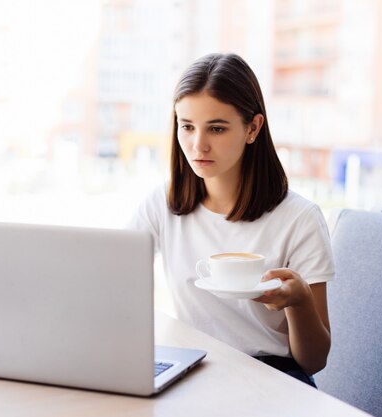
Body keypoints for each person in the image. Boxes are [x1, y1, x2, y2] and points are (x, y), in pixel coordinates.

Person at [129, 53, 334, 387]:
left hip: (274, 379)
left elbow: (314, 361)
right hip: (195, 374)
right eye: (187, 127)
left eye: (217, 128)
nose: (198, 145)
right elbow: (112, 280)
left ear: (252, 128)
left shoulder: (299, 219)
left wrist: (299, 303)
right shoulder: (161, 205)